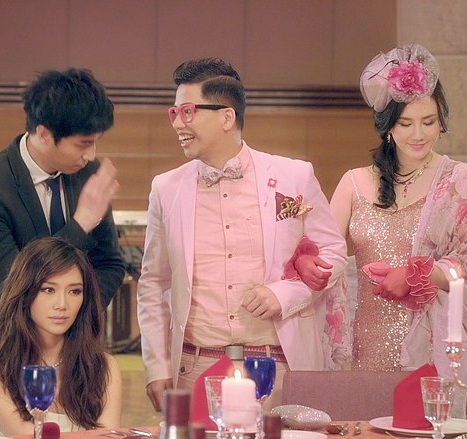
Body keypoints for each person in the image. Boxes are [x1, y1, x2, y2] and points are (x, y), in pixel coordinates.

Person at [137, 57, 348, 412]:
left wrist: (283, 294)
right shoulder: (166, 188)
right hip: (194, 368)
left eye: (187, 112)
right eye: (174, 113)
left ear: (226, 117)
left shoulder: (293, 177)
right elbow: (153, 284)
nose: (177, 123)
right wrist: (157, 367)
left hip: (277, 366)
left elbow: (334, 253)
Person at [296, 44, 467, 418]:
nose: (419, 134)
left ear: (441, 121)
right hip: (369, 343)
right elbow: (323, 251)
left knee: (429, 430)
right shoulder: (354, 183)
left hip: (433, 348)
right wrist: (305, 260)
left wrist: (418, 276)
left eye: (429, 122)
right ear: (387, 127)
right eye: (406, 123)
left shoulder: (459, 180)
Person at [0, 68, 127, 384]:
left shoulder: (88, 174)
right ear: (44, 134)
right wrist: (80, 223)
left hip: (72, 349)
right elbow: (14, 280)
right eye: (83, 144)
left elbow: (110, 265)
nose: (90, 155)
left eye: (95, 143)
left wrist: (74, 313)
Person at [0, 237, 122, 434]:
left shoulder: (104, 367)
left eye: (75, 291)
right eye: (48, 289)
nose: (62, 304)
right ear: (24, 293)